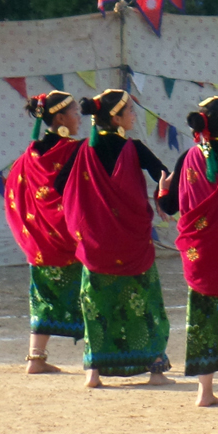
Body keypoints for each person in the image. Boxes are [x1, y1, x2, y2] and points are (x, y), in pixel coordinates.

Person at [56, 90, 174, 389]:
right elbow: (165, 175)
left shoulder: (82, 151)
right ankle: (156, 371)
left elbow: (59, 185)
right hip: (132, 242)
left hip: (96, 243)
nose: (135, 115)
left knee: (96, 306)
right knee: (145, 303)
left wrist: (86, 210)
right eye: (131, 111)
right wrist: (162, 197)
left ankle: (93, 373)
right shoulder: (133, 148)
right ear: (116, 118)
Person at [157, 96, 218, 408]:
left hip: (199, 252)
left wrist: (162, 188)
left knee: (203, 318)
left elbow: (169, 205)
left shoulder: (186, 158)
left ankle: (205, 392)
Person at [4, 91, 85, 374]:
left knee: (43, 296)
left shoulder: (29, 155)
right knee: (91, 296)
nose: (79, 119)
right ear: (60, 117)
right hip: (72, 240)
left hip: (39, 241)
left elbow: (15, 193)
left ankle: (35, 358)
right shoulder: (76, 150)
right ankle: (97, 361)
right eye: (76, 113)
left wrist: (32, 231)